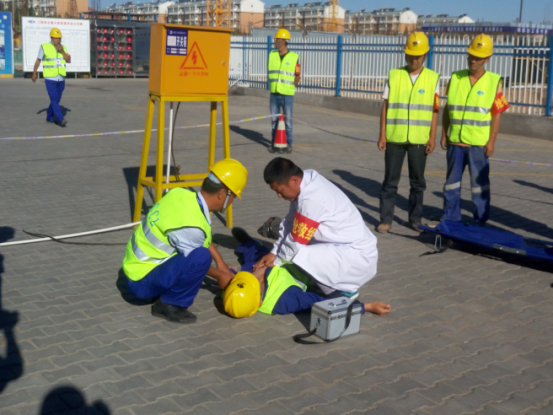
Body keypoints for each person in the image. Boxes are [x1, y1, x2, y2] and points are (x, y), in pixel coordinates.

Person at [122, 158, 248, 324]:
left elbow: (202, 238)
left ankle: (163, 289)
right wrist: (220, 276)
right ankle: (168, 304)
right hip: (140, 283)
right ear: (223, 194)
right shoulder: (193, 226)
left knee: (199, 254)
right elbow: (196, 257)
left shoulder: (180, 194)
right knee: (202, 257)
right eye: (234, 197)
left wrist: (221, 264)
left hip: (133, 270)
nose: (232, 203)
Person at [254, 157, 379, 299]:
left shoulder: (312, 198)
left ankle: (345, 291)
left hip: (356, 256)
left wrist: (275, 262)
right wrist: (274, 251)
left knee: (297, 253)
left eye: (280, 191)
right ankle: (325, 283)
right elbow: (290, 223)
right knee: (291, 252)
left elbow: (296, 242)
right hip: (341, 247)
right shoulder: (305, 182)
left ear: (294, 180)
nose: (278, 196)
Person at [223, 234, 391, 318]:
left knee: (255, 254)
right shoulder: (287, 300)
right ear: (259, 302)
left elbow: (236, 282)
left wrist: (232, 271)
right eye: (256, 281)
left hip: (271, 265)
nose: (254, 276)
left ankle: (247, 242)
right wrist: (368, 307)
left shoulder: (244, 289)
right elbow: (324, 306)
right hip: (302, 270)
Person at [440, 34, 509, 225]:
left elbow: (497, 114)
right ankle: (450, 220)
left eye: (478, 57)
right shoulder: (456, 77)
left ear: (487, 59)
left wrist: (491, 142)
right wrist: (444, 133)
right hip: (455, 142)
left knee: (479, 187)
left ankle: (480, 223)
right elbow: (448, 109)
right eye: (471, 55)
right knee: (451, 185)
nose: (473, 60)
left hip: (478, 145)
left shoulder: (495, 82)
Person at [377, 32, 440, 234]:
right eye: (411, 55)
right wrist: (382, 135)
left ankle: (414, 220)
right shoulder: (394, 75)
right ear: (405, 53)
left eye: (418, 56)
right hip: (394, 137)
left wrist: (432, 137)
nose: (414, 59)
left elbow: (435, 110)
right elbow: (385, 107)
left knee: (417, 183)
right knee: (390, 182)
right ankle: (386, 219)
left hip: (419, 140)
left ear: (425, 55)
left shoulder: (433, 78)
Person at [268, 28, 301, 154]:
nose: (275, 42)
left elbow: (297, 76)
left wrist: (292, 87)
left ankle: (289, 143)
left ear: (282, 41)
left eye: (276, 39)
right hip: (274, 94)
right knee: (274, 121)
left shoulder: (294, 57)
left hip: (287, 95)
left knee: (288, 121)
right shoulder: (272, 55)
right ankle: (274, 144)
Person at [32, 28, 71, 127]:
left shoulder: (63, 48)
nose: (58, 40)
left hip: (61, 78)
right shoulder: (44, 47)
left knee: (56, 99)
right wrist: (34, 73)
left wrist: (62, 51)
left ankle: (49, 117)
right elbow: (38, 60)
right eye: (56, 38)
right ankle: (61, 119)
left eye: (59, 38)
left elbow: (68, 60)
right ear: (51, 38)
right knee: (54, 98)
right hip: (50, 78)